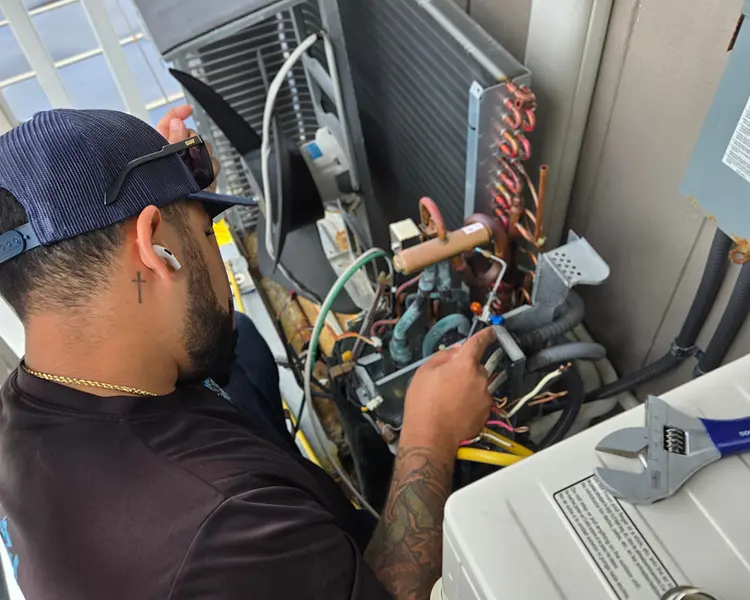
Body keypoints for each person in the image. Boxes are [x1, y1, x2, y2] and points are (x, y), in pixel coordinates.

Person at [0, 106, 495, 600]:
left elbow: (195, 325)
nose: (214, 245)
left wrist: (176, 206)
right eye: (208, 232)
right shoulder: (217, 529)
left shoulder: (26, 415)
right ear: (155, 252)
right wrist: (431, 436)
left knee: (245, 344)